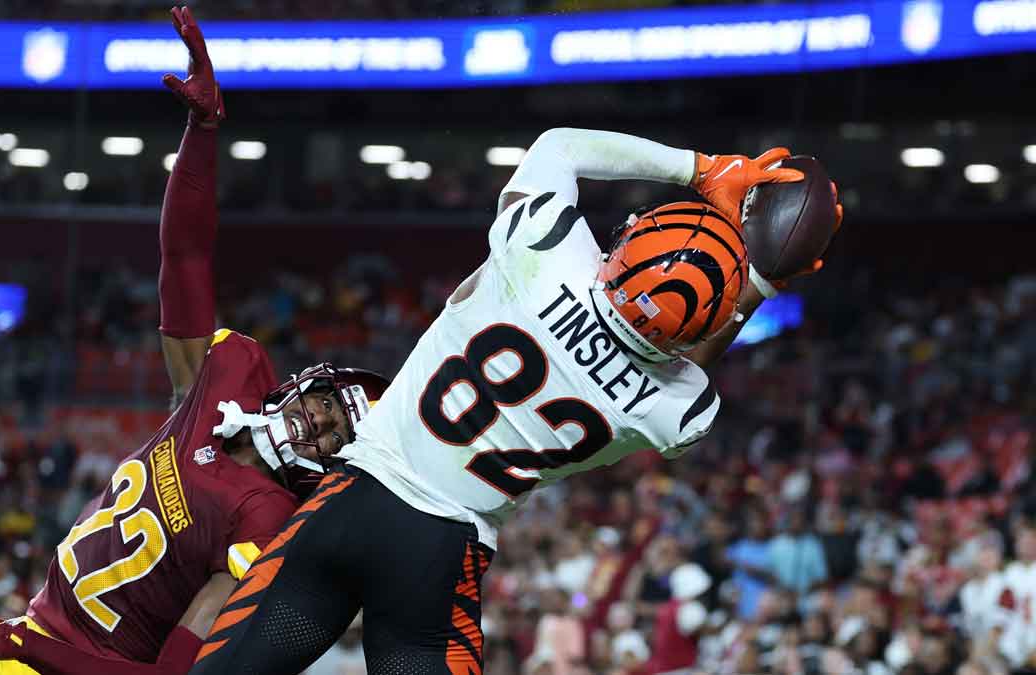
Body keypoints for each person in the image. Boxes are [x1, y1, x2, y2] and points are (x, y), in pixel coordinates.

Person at [0, 8, 386, 675]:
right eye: (327, 404)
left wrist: (23, 645)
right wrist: (203, 132)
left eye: (332, 435)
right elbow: (184, 255)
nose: (314, 424)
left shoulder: (266, 523)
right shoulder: (229, 371)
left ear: (335, 466)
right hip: (25, 635)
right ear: (311, 381)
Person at [191, 127, 842, 673]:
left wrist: (702, 172)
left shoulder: (542, 248)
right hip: (440, 559)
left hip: (351, 499)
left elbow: (561, 146)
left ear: (625, 239)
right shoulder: (672, 406)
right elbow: (693, 357)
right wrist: (757, 276)